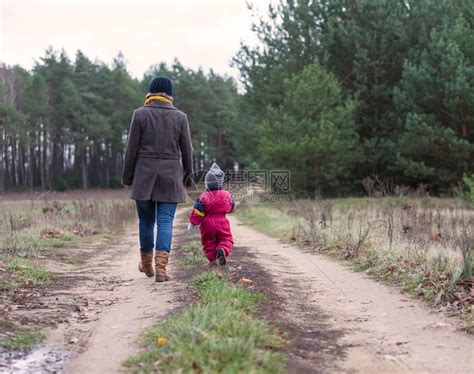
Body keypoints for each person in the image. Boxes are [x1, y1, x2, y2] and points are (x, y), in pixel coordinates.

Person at [122, 76, 193, 282]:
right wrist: (187, 178)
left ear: (151, 92)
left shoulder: (140, 114)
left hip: (143, 175)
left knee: (146, 221)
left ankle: (146, 264)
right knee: (165, 222)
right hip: (171, 176)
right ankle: (161, 268)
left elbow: (131, 150)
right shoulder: (180, 117)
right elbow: (187, 151)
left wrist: (128, 177)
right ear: (169, 94)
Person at [188, 163, 234, 265]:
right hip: (222, 222)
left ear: (207, 184)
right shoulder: (227, 194)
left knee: (208, 242)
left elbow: (197, 211)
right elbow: (231, 207)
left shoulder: (203, 196)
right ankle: (222, 249)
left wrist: (193, 223)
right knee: (226, 239)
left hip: (207, 224)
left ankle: (212, 260)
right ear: (221, 183)